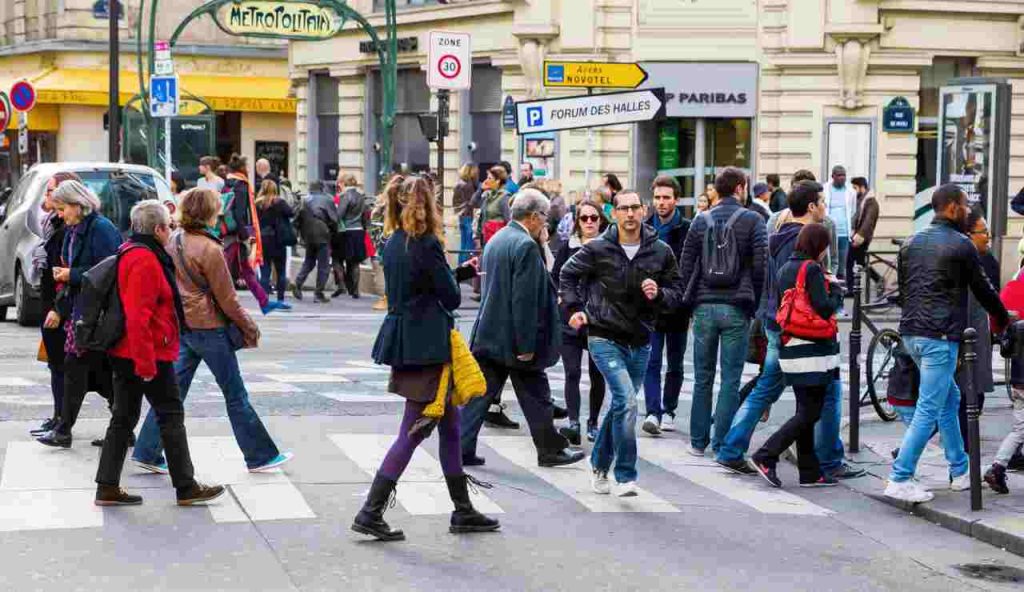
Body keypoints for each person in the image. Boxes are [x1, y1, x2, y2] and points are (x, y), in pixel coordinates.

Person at [355, 176, 498, 541]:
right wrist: (456, 279)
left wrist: (460, 272)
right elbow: (448, 297)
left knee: (450, 426)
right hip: (429, 347)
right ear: (428, 205)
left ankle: (463, 510)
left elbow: (420, 285)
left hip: (407, 341)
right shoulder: (428, 244)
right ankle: (370, 512)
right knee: (412, 432)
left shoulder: (393, 242)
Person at [132, 188, 293, 474]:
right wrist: (249, 326)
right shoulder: (210, 248)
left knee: (172, 394)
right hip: (210, 328)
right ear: (208, 212)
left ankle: (147, 450)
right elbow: (227, 299)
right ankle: (259, 456)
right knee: (235, 395)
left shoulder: (174, 240)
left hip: (184, 326)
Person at [884, 184, 1010, 503]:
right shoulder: (961, 245)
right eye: (965, 206)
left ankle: (959, 470)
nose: (968, 211)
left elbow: (904, 292)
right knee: (929, 407)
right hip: (940, 336)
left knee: (950, 400)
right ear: (953, 208)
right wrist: (1003, 318)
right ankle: (900, 477)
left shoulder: (910, 242)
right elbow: (982, 289)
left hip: (911, 333)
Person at [94, 200, 226, 507]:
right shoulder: (144, 259)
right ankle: (186, 486)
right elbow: (138, 316)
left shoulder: (136, 251)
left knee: (124, 418)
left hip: (134, 352)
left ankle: (107, 486)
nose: (172, 229)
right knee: (170, 415)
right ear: (157, 229)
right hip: (147, 354)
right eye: (169, 225)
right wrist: (146, 364)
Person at [561, 190, 684, 496]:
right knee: (627, 401)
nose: (629, 214)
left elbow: (677, 290)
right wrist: (575, 309)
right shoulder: (599, 247)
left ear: (644, 211)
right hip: (603, 334)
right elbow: (566, 275)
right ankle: (625, 475)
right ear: (613, 213)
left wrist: (660, 293)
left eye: (634, 208)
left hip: (641, 339)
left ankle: (599, 465)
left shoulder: (660, 251)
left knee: (620, 406)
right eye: (623, 208)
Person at [460, 188, 584, 468]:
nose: (546, 224)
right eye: (544, 218)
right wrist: (526, 346)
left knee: (480, 396)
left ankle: (461, 447)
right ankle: (549, 450)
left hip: (490, 333)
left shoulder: (499, 238)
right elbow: (524, 300)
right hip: (514, 339)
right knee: (537, 395)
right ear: (533, 216)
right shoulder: (525, 245)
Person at [678, 167, 767, 456]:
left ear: (716, 190)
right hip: (736, 308)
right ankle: (721, 444)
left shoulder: (700, 221)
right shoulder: (754, 220)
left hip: (703, 308)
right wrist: (751, 301)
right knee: (731, 378)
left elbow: (686, 264)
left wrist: (690, 301)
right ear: (741, 188)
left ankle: (697, 442)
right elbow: (760, 266)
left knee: (702, 377)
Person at [751, 223, 843, 488]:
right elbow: (824, 309)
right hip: (811, 347)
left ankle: (809, 471)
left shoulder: (784, 268)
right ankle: (767, 454)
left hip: (791, 345)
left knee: (805, 409)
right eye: (825, 246)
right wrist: (836, 290)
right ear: (819, 246)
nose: (826, 251)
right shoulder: (812, 269)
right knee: (810, 412)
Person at [37, 180, 122, 449]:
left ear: (77, 205)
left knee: (80, 369)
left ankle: (65, 429)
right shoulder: (75, 229)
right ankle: (119, 427)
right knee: (94, 373)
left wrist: (70, 274)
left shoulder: (100, 228)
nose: (59, 214)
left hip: (96, 313)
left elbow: (109, 270)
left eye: (62, 208)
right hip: (81, 309)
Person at [551, 200, 609, 445]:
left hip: (599, 321)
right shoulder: (567, 247)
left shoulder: (608, 248)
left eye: (593, 218)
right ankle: (573, 422)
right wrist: (562, 300)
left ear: (600, 221)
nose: (588, 222)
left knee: (598, 375)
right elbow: (555, 278)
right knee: (572, 372)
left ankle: (593, 422)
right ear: (577, 222)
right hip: (570, 318)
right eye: (583, 218)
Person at [30, 171, 80, 437]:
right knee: (55, 363)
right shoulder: (52, 222)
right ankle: (58, 416)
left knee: (64, 365)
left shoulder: (66, 229)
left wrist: (59, 309)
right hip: (49, 298)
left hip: (60, 304)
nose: (46, 196)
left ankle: (63, 421)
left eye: (50, 191)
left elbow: (66, 270)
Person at [641, 175, 691, 435]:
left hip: (678, 306)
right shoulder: (644, 226)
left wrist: (688, 301)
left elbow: (691, 268)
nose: (661, 203)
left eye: (666, 198)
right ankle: (652, 411)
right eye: (658, 197)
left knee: (675, 362)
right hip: (650, 306)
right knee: (651, 361)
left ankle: (669, 409)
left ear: (676, 200)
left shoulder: (687, 228)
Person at [222, 154, 287, 315]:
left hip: (228, 232)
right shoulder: (241, 185)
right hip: (237, 235)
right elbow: (239, 213)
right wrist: (245, 235)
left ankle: (264, 302)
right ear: (243, 169)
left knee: (246, 271)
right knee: (225, 271)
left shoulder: (226, 183)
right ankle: (221, 305)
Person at [959, 209, 997, 452]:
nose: (988, 237)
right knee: (965, 401)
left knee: (967, 400)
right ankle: (964, 463)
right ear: (969, 234)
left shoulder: (987, 260)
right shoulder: (965, 262)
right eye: (984, 232)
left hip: (978, 337)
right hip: (965, 341)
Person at [984, 260, 1024, 493]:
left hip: (1018, 378)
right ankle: (997, 468)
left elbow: (999, 326)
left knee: (1020, 428)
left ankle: (997, 468)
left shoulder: (1011, 289)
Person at [292, 180, 338, 303]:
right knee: (323, 265)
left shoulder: (304, 200)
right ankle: (318, 293)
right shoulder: (328, 200)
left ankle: (297, 283)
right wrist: (334, 232)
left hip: (308, 235)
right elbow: (334, 219)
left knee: (309, 261)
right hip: (322, 234)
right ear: (322, 188)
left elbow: (296, 219)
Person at [255, 179, 294, 307]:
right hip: (278, 239)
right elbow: (291, 213)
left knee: (265, 271)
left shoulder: (257, 203)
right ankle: (280, 299)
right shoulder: (279, 202)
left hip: (263, 239)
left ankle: (264, 300)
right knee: (280, 270)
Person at [333, 173, 367, 299]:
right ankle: (356, 290)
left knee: (337, 258)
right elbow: (365, 215)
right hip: (358, 230)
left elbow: (339, 214)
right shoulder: (361, 197)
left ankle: (342, 286)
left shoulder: (345, 196)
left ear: (345, 183)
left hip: (345, 231)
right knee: (355, 262)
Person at [825, 165, 857, 284]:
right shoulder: (825, 189)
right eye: (839, 175)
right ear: (833, 176)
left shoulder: (851, 192)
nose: (842, 178)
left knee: (841, 265)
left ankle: (839, 292)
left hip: (844, 233)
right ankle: (829, 288)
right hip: (828, 232)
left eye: (844, 175)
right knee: (829, 263)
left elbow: (853, 211)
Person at [849, 177, 879, 284]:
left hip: (862, 238)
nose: (853, 191)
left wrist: (859, 236)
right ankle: (853, 287)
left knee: (858, 261)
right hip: (857, 236)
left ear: (862, 187)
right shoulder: (861, 199)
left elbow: (868, 221)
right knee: (858, 261)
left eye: (854, 188)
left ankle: (878, 280)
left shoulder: (871, 201)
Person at [476, 165, 512, 248]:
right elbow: (479, 213)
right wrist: (480, 190)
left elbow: (509, 220)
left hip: (498, 241)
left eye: (489, 178)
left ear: (498, 181)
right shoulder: (487, 196)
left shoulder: (504, 197)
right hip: (486, 239)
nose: (486, 181)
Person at [454, 163, 478, 265]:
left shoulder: (459, 184)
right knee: (469, 246)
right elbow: (472, 203)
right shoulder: (469, 186)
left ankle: (461, 268)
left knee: (463, 246)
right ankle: (466, 270)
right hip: (469, 217)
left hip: (462, 217)